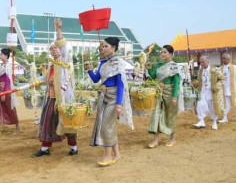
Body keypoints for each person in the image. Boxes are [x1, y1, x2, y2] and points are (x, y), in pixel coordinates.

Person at [33, 18, 78, 157]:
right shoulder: (52, 64)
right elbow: (44, 78)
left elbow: (63, 44)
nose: (53, 50)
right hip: (51, 98)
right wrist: (34, 82)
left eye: (55, 47)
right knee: (46, 122)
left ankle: (74, 147)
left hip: (64, 99)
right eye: (51, 48)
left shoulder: (64, 60)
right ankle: (45, 148)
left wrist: (58, 29)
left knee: (68, 123)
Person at [84, 37, 134, 166]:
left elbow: (121, 84)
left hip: (113, 97)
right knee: (107, 125)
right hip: (103, 96)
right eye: (103, 46)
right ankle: (117, 154)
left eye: (106, 46)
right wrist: (89, 69)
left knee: (106, 125)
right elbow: (96, 80)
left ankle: (107, 155)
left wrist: (118, 104)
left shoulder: (117, 63)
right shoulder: (102, 62)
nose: (103, 48)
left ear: (113, 48)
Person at [145, 45, 182, 148]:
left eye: (165, 52)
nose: (162, 54)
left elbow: (176, 81)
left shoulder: (173, 66)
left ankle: (172, 139)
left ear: (170, 54)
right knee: (156, 114)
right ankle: (155, 140)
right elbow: (152, 76)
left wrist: (174, 97)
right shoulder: (158, 65)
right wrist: (148, 68)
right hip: (159, 92)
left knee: (170, 115)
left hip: (170, 92)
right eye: (161, 52)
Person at [192, 56, 224, 130]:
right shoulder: (200, 71)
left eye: (203, 62)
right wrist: (195, 83)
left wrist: (216, 87)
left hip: (212, 92)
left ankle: (214, 122)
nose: (201, 64)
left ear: (208, 62)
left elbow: (222, 79)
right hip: (203, 92)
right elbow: (200, 82)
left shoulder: (215, 69)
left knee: (212, 107)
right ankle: (201, 121)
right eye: (200, 62)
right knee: (200, 105)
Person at [218, 52, 236, 123]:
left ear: (228, 59)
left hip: (234, 89)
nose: (223, 59)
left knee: (235, 103)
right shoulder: (219, 69)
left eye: (224, 58)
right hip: (224, 89)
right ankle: (225, 118)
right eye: (222, 58)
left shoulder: (234, 67)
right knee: (225, 104)